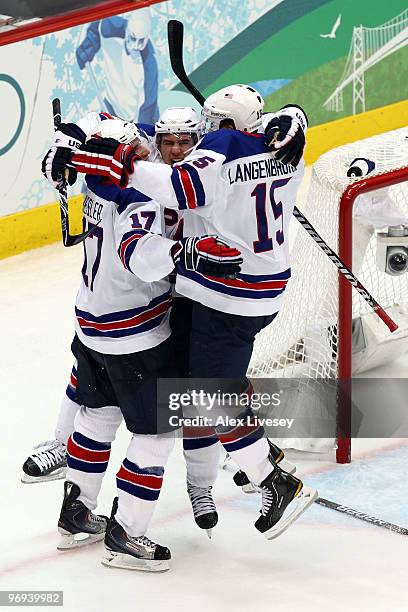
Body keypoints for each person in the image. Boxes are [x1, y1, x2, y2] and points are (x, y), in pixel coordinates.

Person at [69, 84, 318, 540]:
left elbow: (178, 186)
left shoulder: (216, 155)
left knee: (206, 396)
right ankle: (254, 457)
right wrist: (296, 114)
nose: (190, 141)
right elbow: (277, 123)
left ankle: (270, 477)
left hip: (224, 293)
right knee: (208, 390)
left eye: (204, 128)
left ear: (221, 127)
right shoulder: (284, 144)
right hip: (264, 288)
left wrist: (122, 168)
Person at [36, 112, 241, 569]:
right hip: (134, 333)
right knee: (156, 432)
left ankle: (76, 514)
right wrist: (187, 252)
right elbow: (138, 255)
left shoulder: (93, 180)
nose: (147, 150)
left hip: (89, 323)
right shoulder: (136, 196)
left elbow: (95, 128)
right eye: (138, 147)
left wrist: (66, 140)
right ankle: (127, 533)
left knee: (97, 415)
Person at [76, 8, 159, 124]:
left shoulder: (149, 62)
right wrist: (89, 45)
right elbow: (97, 26)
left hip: (132, 120)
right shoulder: (110, 27)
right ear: (127, 29)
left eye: (141, 41)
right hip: (109, 107)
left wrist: (143, 132)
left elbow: (149, 105)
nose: (135, 45)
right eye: (133, 38)